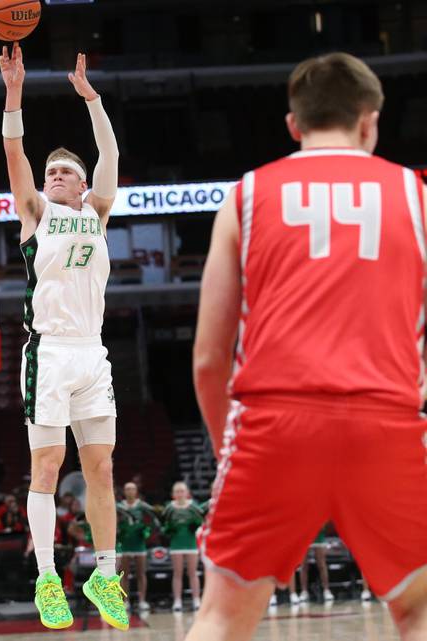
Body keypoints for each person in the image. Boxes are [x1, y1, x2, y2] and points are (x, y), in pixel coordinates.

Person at [188, 52, 427, 641]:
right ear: (369, 121)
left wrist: (231, 453)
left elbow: (208, 359)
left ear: (294, 126)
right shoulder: (416, 194)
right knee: (420, 607)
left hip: (273, 426)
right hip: (386, 422)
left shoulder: (245, 195)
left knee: (222, 615)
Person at [0, 42, 126, 631]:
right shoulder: (35, 212)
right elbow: (14, 149)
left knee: (100, 470)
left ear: (82, 186)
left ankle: (105, 573)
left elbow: (109, 153)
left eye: (64, 173)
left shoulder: (98, 212)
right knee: (46, 466)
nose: (54, 177)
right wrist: (15, 90)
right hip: (46, 352)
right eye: (51, 173)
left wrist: (92, 99)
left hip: (92, 354)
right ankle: (48, 577)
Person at [162, 482, 203, 612]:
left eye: (182, 491)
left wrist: (196, 525)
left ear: (187, 493)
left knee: (192, 572)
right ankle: (177, 601)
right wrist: (168, 529)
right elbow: (163, 523)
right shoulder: (169, 508)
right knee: (177, 573)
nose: (180, 494)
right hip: (176, 544)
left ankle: (196, 600)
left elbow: (202, 520)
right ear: (173, 494)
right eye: (177, 491)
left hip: (191, 544)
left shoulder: (193, 506)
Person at [116, 482, 156, 612]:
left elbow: (154, 520)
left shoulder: (143, 506)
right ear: (124, 491)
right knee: (124, 574)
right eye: (127, 489)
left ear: (136, 491)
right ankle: (125, 601)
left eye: (132, 489)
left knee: (141, 573)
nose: (130, 491)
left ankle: (142, 600)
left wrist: (147, 531)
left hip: (139, 545)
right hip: (125, 544)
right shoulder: (118, 507)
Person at [298, 525, 334, 603]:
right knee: (303, 565)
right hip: (304, 532)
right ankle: (304, 591)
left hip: (318, 533)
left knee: (321, 564)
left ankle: (326, 590)